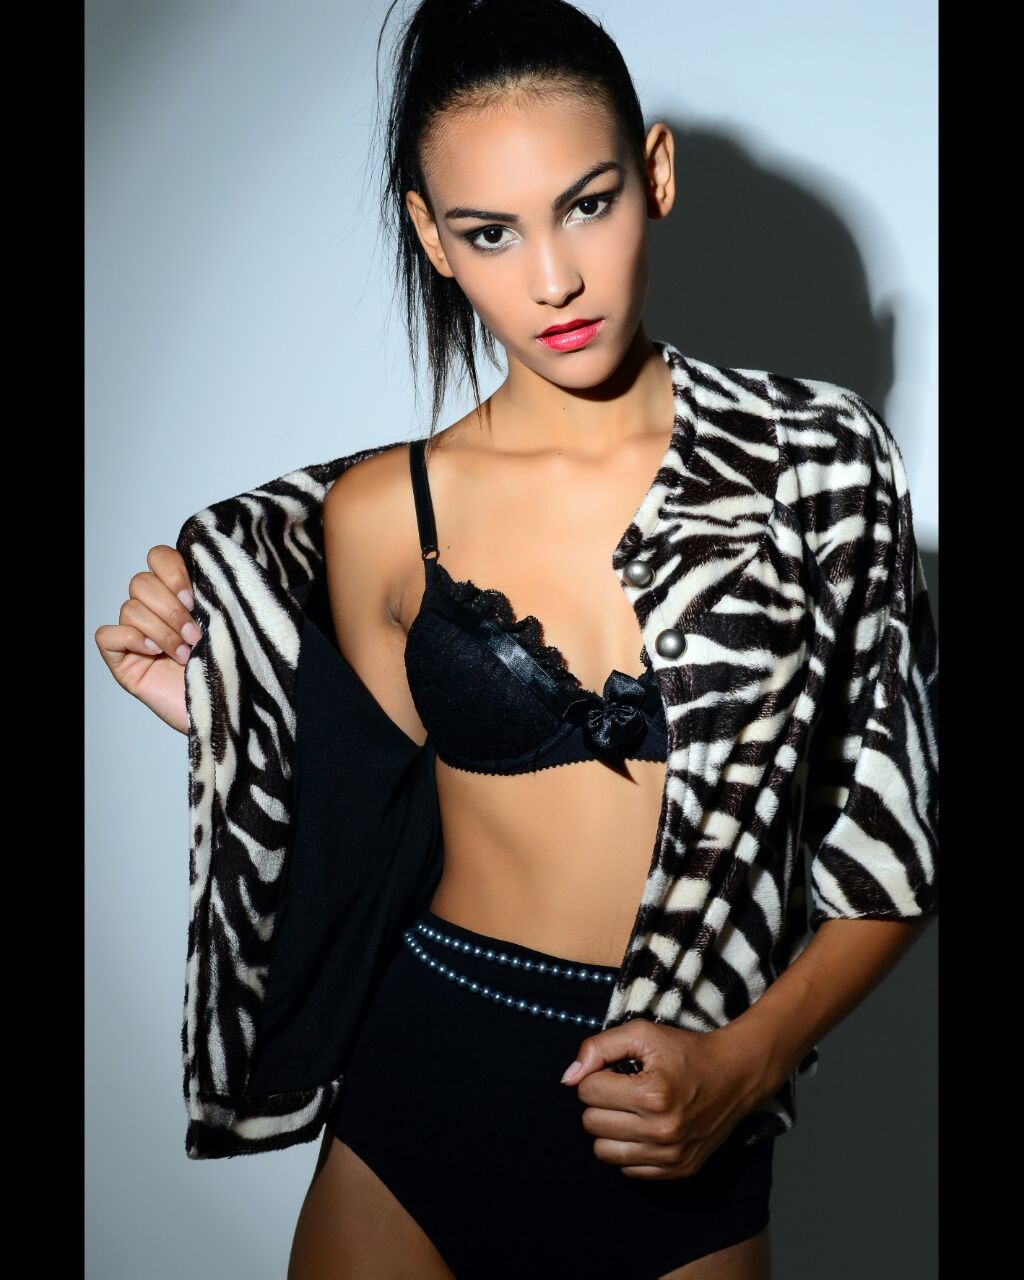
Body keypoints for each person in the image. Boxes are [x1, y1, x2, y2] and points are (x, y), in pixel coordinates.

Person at [93, 1, 939, 1277]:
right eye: (490, 232)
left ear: (654, 174)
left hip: (682, 1126)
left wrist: (745, 1060)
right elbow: (366, 824)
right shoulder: (385, 515)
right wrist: (226, 712)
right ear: (433, 237)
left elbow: (898, 838)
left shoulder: (817, 466)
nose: (551, 279)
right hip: (421, 1092)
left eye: (585, 205)